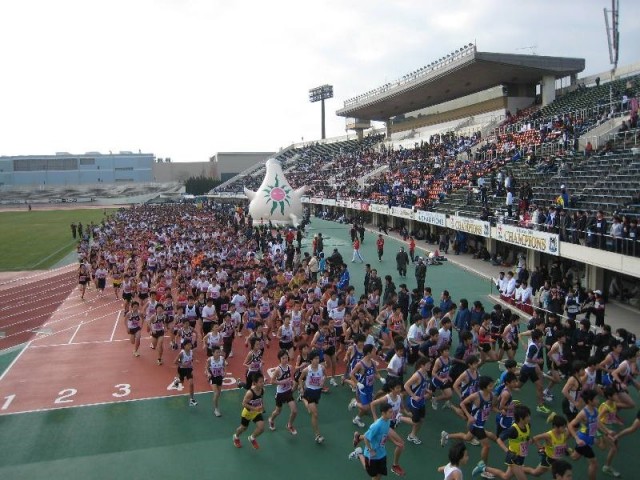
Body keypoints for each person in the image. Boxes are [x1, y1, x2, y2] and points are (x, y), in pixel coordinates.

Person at [441, 376, 498, 470]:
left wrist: (499, 411)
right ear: (484, 387)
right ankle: (483, 468)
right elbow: (462, 403)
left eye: (492, 385)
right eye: (490, 386)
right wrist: (469, 416)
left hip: (481, 423)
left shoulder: (491, 395)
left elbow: (491, 407)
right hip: (476, 424)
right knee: (486, 446)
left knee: (467, 437)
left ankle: (446, 436)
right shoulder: (476, 396)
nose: (492, 387)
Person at [471, 404, 532, 480]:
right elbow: (499, 440)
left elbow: (525, 437)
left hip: (521, 457)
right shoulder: (513, 430)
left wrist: (530, 441)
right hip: (513, 458)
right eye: (528, 416)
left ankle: (483, 468)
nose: (529, 418)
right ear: (520, 418)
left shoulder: (527, 425)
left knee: (505, 477)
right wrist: (508, 451)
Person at [568, 389, 616, 480]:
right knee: (594, 464)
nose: (598, 400)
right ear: (590, 401)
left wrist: (607, 431)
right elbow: (570, 425)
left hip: (590, 437)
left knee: (575, 457)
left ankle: (567, 450)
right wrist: (577, 439)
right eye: (596, 399)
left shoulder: (595, 410)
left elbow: (597, 422)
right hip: (584, 440)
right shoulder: (583, 413)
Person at [348, 402, 394, 480]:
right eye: (390, 412)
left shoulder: (388, 421)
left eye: (392, 411)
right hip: (372, 455)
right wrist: (370, 450)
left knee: (379, 475)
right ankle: (359, 454)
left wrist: (394, 441)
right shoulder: (377, 425)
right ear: (383, 413)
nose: (392, 414)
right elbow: (366, 437)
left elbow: (385, 434)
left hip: (382, 453)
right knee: (371, 473)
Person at [298, 351, 326, 443]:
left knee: (310, 410)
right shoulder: (307, 370)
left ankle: (302, 398)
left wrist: (323, 380)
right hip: (309, 391)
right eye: (315, 359)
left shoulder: (322, 368)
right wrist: (301, 388)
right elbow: (300, 379)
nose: (317, 360)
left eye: (318, 358)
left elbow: (325, 376)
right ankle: (317, 435)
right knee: (315, 414)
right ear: (311, 360)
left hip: (317, 392)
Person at [268, 349, 298, 435]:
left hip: (288, 392)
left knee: (294, 411)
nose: (285, 359)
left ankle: (289, 425)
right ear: (280, 359)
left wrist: (291, 382)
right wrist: (283, 382)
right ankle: (271, 419)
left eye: (286, 358)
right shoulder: (278, 369)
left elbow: (289, 378)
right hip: (280, 393)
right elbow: (272, 381)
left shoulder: (290, 367)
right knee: (278, 411)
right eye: (283, 358)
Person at [233, 372, 266, 449]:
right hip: (247, 413)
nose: (262, 383)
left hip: (256, 412)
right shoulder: (250, 393)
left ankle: (252, 438)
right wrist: (254, 408)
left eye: (263, 381)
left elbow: (261, 398)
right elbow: (243, 404)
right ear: (255, 383)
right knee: (243, 428)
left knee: (261, 428)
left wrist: (262, 406)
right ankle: (236, 437)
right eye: (260, 382)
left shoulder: (262, 390)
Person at [173, 339, 197, 407]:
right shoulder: (181, 353)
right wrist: (182, 364)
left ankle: (191, 399)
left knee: (191, 383)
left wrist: (195, 360)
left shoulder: (191, 352)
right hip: (182, 369)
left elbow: (193, 357)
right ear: (185, 346)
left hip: (189, 369)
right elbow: (174, 362)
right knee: (181, 381)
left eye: (190, 344)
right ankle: (177, 381)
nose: (190, 346)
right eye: (189, 345)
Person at [205, 345, 225, 417]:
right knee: (216, 393)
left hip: (219, 377)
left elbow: (223, 367)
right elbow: (206, 369)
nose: (218, 353)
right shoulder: (210, 360)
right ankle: (216, 409)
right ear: (213, 353)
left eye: (219, 352)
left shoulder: (222, 359)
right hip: (212, 377)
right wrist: (208, 374)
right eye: (217, 352)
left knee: (218, 394)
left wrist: (224, 372)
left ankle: (215, 402)